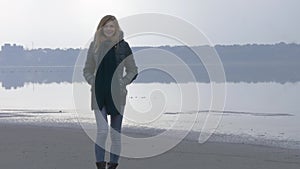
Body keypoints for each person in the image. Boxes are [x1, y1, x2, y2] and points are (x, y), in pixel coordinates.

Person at [83, 15, 138, 169]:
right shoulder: (94, 45)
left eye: (111, 26)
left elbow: (133, 70)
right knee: (102, 131)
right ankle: (100, 165)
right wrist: (93, 81)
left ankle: (113, 165)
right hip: (98, 94)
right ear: (101, 28)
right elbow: (87, 69)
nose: (109, 29)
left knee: (115, 134)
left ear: (116, 28)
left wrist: (123, 82)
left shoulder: (123, 46)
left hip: (117, 95)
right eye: (106, 26)